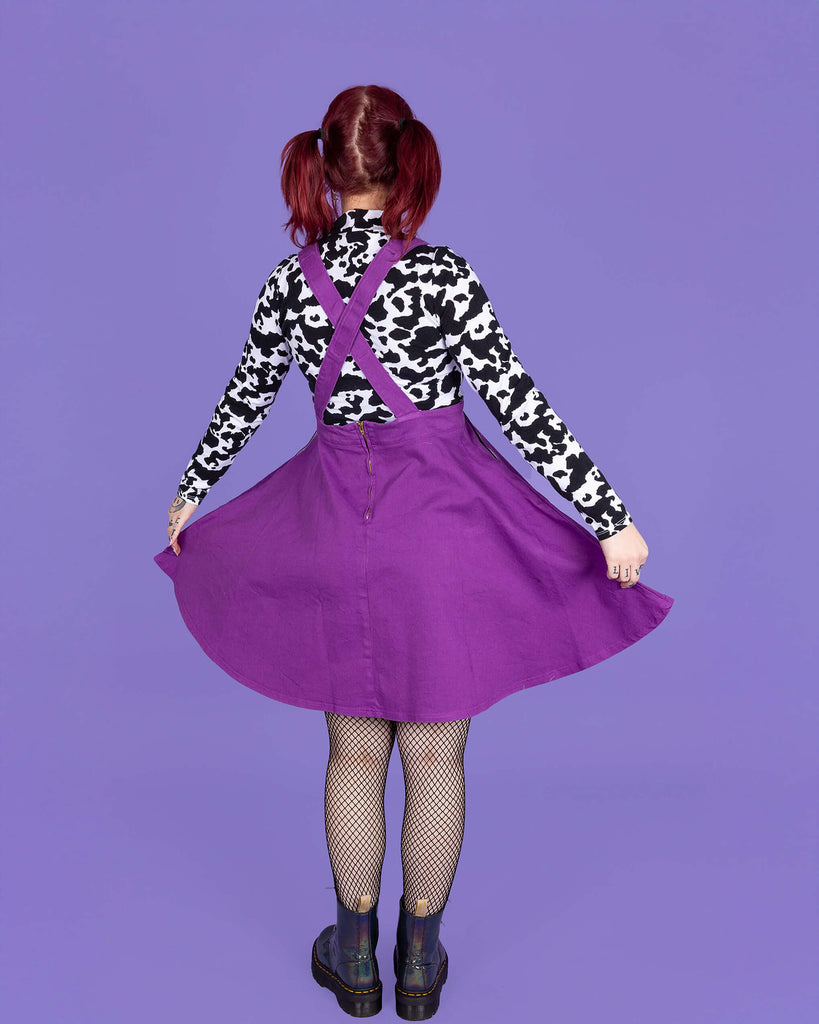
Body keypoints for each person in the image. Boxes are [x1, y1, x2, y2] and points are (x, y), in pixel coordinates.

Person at [154, 84, 673, 1020]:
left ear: (322, 165)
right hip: (438, 535)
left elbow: (242, 400)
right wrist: (607, 517)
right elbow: (521, 408)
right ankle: (420, 964)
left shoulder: (289, 282)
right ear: (410, 165)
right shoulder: (443, 279)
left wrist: (191, 494)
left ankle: (353, 961)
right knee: (436, 760)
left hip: (326, 531)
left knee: (353, 754)